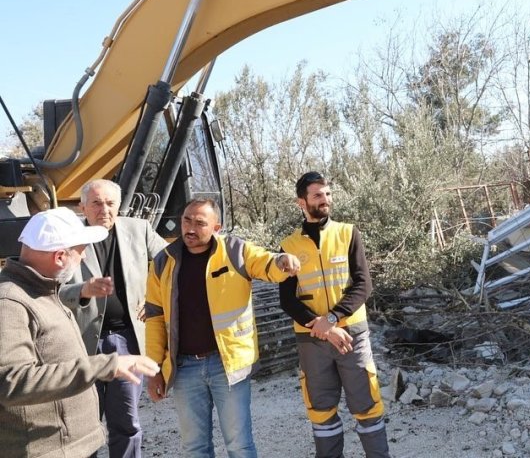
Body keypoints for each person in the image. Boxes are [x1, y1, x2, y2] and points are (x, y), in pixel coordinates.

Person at [144, 198, 301, 458]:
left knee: (239, 445)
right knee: (194, 448)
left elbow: (265, 263)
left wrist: (281, 261)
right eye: (186, 220)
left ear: (217, 227)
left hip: (227, 365)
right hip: (184, 368)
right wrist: (153, 369)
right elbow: (155, 316)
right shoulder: (163, 261)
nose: (190, 228)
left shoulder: (235, 250)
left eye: (200, 223)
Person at [0, 208, 160, 457]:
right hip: (47, 450)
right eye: (80, 250)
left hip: (70, 446)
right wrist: (105, 366)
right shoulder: (10, 303)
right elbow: (12, 381)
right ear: (60, 256)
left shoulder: (44, 291)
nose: (84, 257)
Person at [279, 172, 391, 458]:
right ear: (301, 202)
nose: (325, 200)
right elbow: (287, 300)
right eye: (317, 195)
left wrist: (331, 319)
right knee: (320, 409)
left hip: (352, 334)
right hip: (311, 339)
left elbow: (363, 284)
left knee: (367, 405)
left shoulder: (347, 233)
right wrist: (323, 327)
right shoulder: (288, 246)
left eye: (327, 194)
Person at [60, 179, 168, 458]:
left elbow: (172, 264)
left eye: (110, 203)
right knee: (83, 425)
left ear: (119, 206)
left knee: (127, 422)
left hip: (127, 341)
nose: (104, 210)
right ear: (82, 206)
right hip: (81, 345)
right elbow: (51, 290)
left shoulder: (139, 229)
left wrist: (158, 300)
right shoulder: (67, 238)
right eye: (96, 203)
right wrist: (82, 290)